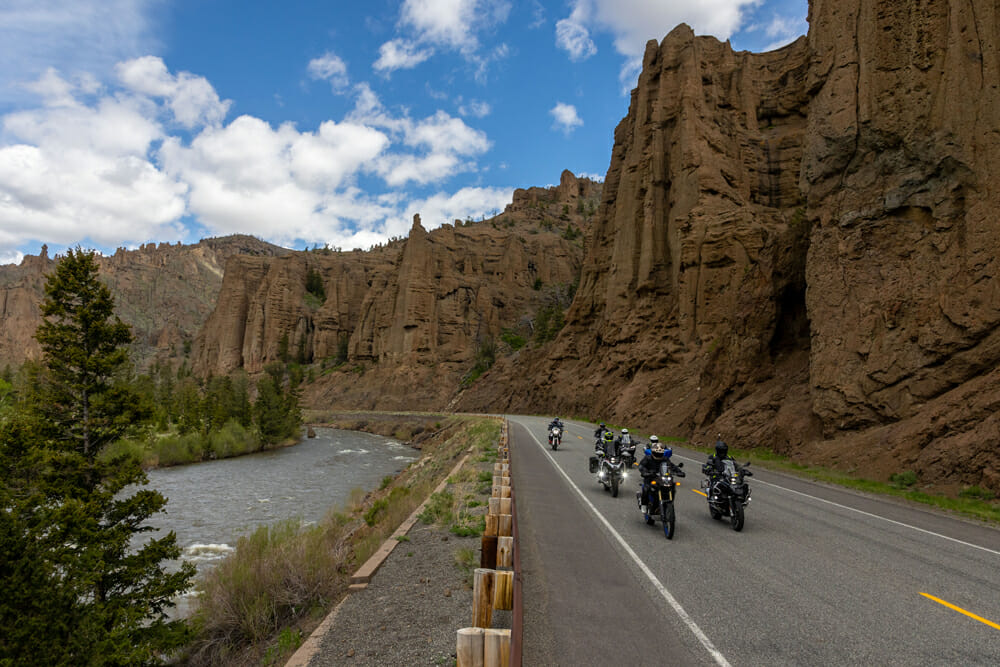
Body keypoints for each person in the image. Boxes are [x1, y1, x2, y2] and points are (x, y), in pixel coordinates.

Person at [637, 436, 679, 522]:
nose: (658, 455)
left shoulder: (665, 459)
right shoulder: (648, 458)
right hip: (650, 478)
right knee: (646, 488)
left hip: (662, 478)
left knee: (672, 486)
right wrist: (645, 472)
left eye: (660, 453)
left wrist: (679, 471)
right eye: (657, 453)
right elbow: (641, 465)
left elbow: (671, 465)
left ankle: (668, 504)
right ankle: (644, 505)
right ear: (653, 452)